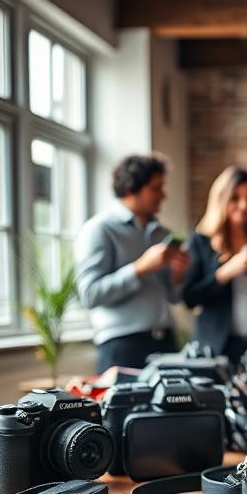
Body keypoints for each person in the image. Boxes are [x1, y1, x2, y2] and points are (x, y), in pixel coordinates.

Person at [75, 154, 190, 373]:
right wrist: (140, 267)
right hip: (122, 346)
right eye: (156, 188)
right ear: (131, 189)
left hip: (166, 341)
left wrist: (178, 274)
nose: (163, 195)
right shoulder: (99, 230)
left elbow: (174, 297)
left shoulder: (162, 233)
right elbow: (90, 294)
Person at [182, 166, 247, 364]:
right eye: (235, 198)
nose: (244, 205)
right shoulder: (201, 242)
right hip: (217, 346)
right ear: (221, 200)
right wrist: (227, 272)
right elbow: (189, 297)